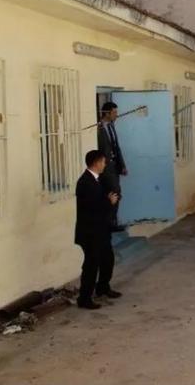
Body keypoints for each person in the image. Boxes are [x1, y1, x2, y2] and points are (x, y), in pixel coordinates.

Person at [75, 150, 122, 309]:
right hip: (90, 232)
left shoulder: (97, 180)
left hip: (101, 230)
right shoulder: (84, 182)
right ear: (96, 162)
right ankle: (84, 298)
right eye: (103, 161)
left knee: (107, 259)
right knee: (91, 265)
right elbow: (91, 207)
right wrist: (109, 202)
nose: (105, 164)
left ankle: (103, 287)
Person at [97, 102, 127, 232]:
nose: (116, 115)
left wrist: (122, 165)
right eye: (114, 112)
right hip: (105, 167)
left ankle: (110, 221)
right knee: (115, 192)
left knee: (115, 193)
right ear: (106, 113)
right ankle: (109, 223)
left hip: (115, 166)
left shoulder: (111, 126)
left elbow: (116, 147)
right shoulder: (99, 128)